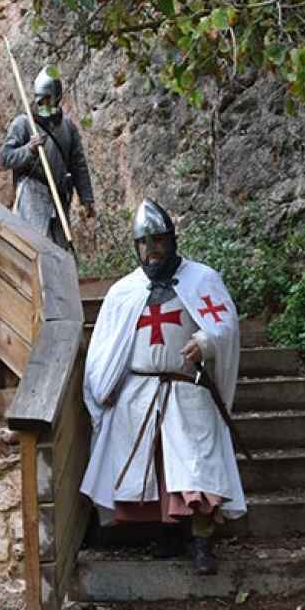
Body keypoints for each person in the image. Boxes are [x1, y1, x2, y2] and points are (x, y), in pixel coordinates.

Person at [80, 199, 244, 575]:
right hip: (139, 393)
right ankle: (167, 535)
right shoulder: (124, 291)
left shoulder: (201, 279)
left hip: (187, 387)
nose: (151, 251)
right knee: (151, 467)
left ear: (171, 240)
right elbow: (107, 345)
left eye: (158, 242)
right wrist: (103, 386)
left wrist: (204, 343)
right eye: (144, 244)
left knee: (197, 468)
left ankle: (201, 541)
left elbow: (224, 325)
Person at [0, 66, 94, 248]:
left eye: (47, 99)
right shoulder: (24, 123)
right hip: (32, 196)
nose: (42, 103)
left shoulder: (68, 127)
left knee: (59, 251)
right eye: (39, 99)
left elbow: (78, 164)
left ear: (57, 97)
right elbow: (5, 157)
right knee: (34, 248)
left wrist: (86, 197)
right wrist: (29, 149)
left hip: (59, 196)